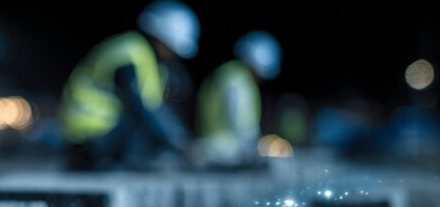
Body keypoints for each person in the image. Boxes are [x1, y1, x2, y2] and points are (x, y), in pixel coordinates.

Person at [59, 0, 198, 171]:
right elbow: (142, 107)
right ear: (161, 39)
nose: (173, 56)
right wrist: (178, 142)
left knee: (148, 120)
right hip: (90, 132)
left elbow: (156, 105)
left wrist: (179, 136)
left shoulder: (142, 56)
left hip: (92, 131)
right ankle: (119, 162)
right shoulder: (131, 53)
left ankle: (119, 161)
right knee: (141, 119)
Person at [194, 31, 280, 166]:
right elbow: (241, 124)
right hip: (224, 148)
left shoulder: (230, 73)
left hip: (214, 144)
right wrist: (254, 148)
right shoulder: (238, 80)